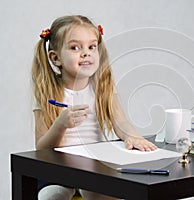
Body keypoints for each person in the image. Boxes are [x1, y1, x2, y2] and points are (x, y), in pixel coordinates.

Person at [32, 15, 157, 200]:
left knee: (106, 194)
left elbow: (120, 122)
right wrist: (61, 125)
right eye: (75, 47)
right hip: (57, 172)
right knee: (52, 196)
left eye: (92, 47)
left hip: (94, 168)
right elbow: (41, 149)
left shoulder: (101, 89)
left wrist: (132, 136)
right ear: (55, 58)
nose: (86, 53)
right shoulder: (48, 93)